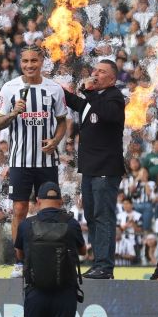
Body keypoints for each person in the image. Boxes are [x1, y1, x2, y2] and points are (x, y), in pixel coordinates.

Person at [0, 45, 67, 278]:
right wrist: (13, 114)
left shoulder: (54, 89)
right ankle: (19, 261)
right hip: (20, 161)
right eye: (25, 61)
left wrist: (55, 141)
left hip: (46, 161)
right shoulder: (10, 88)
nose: (29, 65)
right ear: (20, 63)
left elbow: (62, 121)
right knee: (19, 209)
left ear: (42, 61)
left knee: (51, 210)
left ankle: (52, 258)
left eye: (34, 60)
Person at [61, 59, 125, 279]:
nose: (95, 74)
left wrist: (88, 94)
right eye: (95, 70)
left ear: (112, 78)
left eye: (102, 71)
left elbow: (110, 114)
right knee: (91, 215)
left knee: (103, 216)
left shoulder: (114, 96)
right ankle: (99, 262)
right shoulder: (94, 98)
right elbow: (76, 103)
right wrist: (52, 88)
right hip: (89, 169)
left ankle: (105, 266)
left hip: (105, 169)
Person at [15, 182, 86, 317]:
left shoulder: (26, 225)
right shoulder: (72, 224)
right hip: (65, 295)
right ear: (60, 201)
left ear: (38, 201)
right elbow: (83, 251)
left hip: (36, 294)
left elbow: (20, 255)